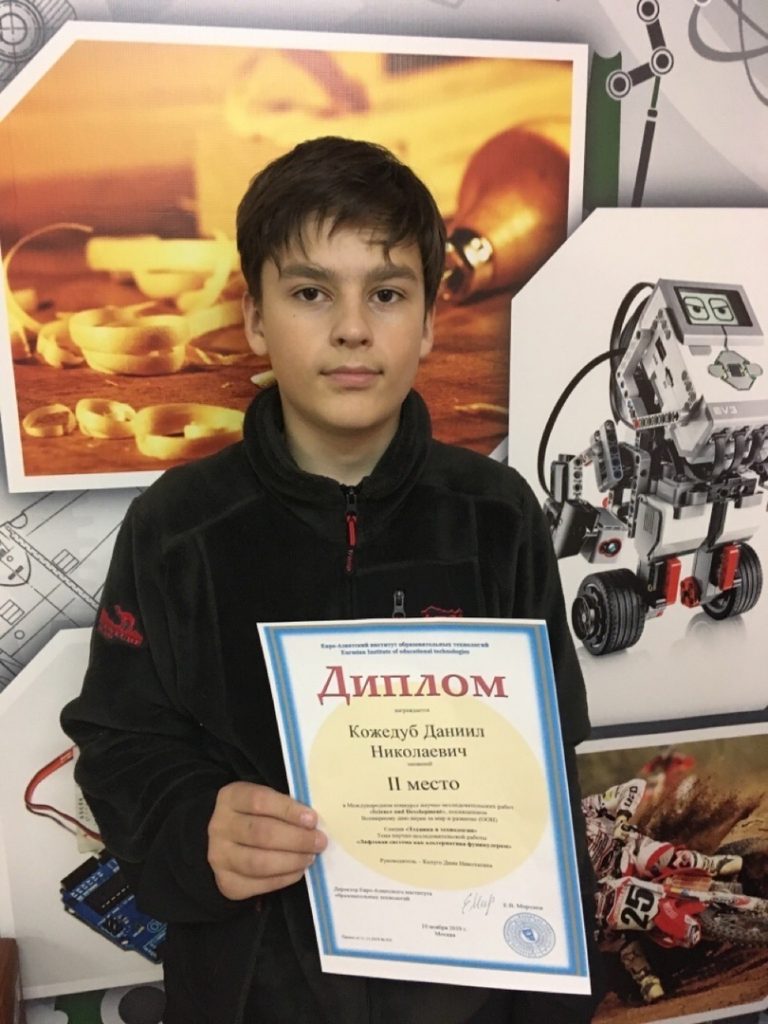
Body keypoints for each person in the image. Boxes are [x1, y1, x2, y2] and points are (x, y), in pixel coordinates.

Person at [62, 136, 602, 1024]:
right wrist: (199, 825)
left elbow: (551, 772)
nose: (353, 328)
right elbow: (120, 743)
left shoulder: (498, 514)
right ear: (254, 318)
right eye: (311, 292)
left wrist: (559, 1006)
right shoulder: (176, 526)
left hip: (467, 998)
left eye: (386, 294)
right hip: (249, 994)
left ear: (430, 320)